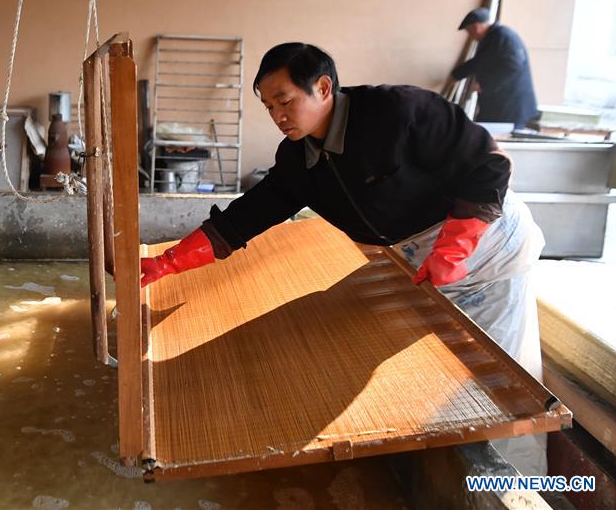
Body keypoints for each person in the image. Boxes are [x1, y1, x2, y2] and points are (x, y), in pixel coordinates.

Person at [140, 42, 547, 475]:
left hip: (486, 253)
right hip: (417, 261)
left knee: (499, 386)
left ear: (322, 87)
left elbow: (489, 165)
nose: (278, 116)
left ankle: (526, 482)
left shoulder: (397, 111)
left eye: (285, 101)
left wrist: (454, 247)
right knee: (434, 375)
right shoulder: (299, 160)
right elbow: (243, 219)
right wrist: (168, 262)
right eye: (269, 107)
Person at [451, 7, 539, 129]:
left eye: (469, 31)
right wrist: (455, 75)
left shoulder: (504, 36)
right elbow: (479, 62)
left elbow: (512, 66)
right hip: (499, 105)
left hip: (510, 106)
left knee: (499, 137)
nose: (470, 36)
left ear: (476, 27)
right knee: (484, 133)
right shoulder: (493, 38)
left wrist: (484, 84)